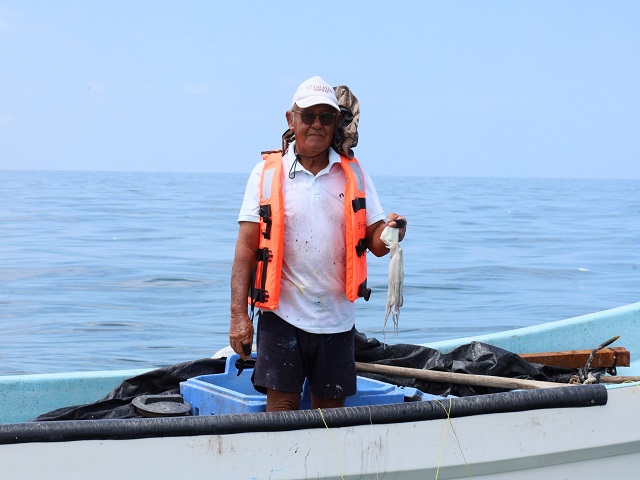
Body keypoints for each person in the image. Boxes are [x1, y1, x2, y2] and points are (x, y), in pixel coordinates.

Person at [229, 76, 407, 412]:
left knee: (330, 413)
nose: (316, 124)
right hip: (281, 316)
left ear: (336, 122)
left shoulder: (354, 174)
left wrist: (392, 232)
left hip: (337, 319)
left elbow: (376, 242)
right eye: (308, 115)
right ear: (291, 119)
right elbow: (245, 250)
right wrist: (239, 316)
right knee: (281, 408)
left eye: (326, 117)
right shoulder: (265, 174)